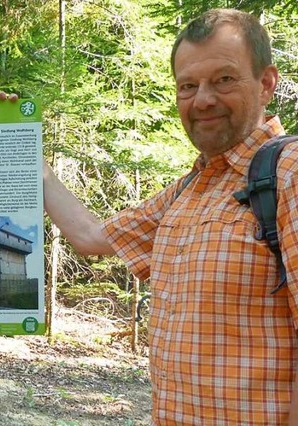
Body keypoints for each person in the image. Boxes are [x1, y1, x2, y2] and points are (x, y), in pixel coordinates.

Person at [40, 8, 298, 425]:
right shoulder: (188, 191)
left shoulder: (289, 173)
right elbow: (90, 236)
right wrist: (29, 157)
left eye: (224, 79)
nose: (203, 99)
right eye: (188, 86)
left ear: (266, 83)